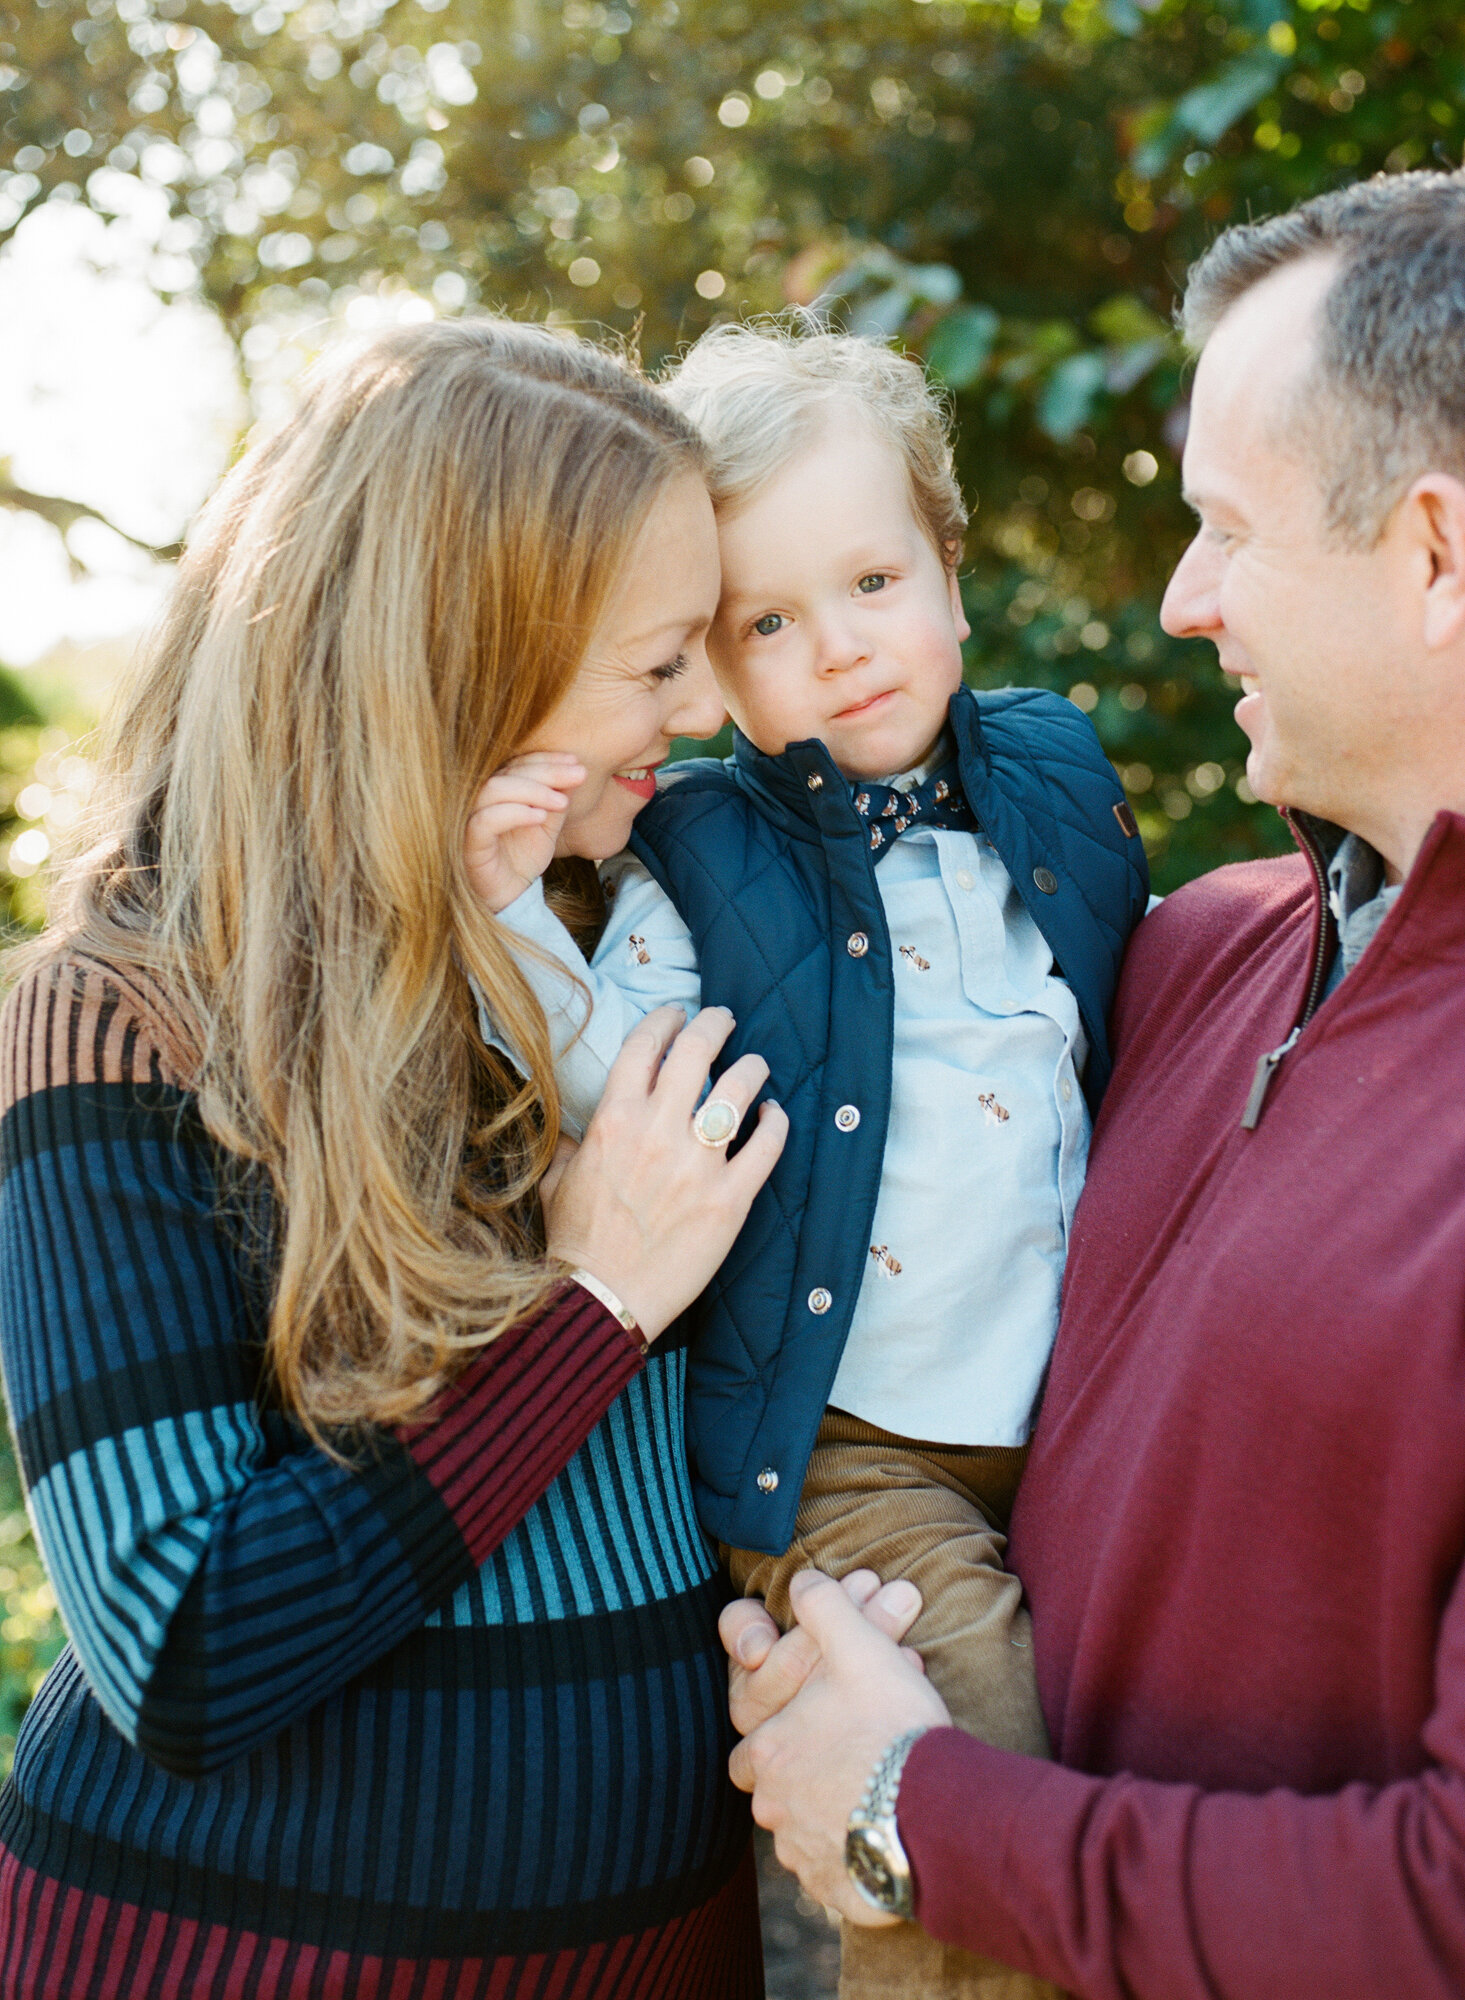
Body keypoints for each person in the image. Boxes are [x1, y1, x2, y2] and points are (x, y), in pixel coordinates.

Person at [722, 167, 1465, 1999]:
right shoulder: (1180, 946)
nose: (1178, 598)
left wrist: (912, 1809)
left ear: (1435, 552)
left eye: (1225, 529)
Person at [0, 317, 790, 1999]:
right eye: (656, 663)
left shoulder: (622, 933)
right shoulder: (120, 1018)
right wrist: (590, 1303)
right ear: (460, 659)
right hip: (218, 1962)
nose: (705, 705)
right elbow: (185, 1645)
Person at [464, 324, 1148, 1998]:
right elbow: (607, 1076)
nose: (836, 650)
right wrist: (501, 912)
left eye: (869, 581)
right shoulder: (704, 851)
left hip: (1056, 1415)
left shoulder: (1054, 779)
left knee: (1135, 1709)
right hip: (843, 1445)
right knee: (959, 1736)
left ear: (951, 571)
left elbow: (1139, 1026)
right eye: (766, 623)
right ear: (708, 665)